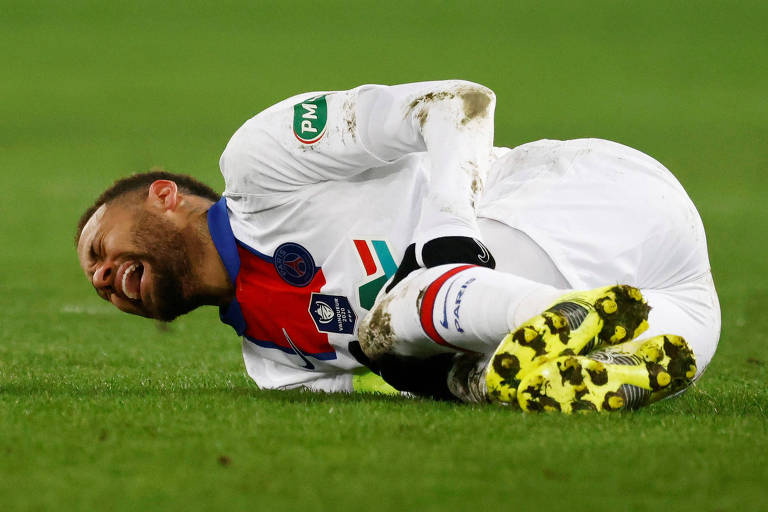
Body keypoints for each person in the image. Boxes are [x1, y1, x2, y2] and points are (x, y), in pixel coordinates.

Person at [75, 80, 720, 412]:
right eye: (96, 281)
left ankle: (539, 330)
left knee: (399, 309)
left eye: (101, 247)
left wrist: (444, 237)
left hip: (586, 199)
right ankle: (561, 357)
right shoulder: (276, 364)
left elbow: (455, 102)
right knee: (422, 361)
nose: (103, 277)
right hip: (679, 312)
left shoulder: (260, 163)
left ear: (164, 195)